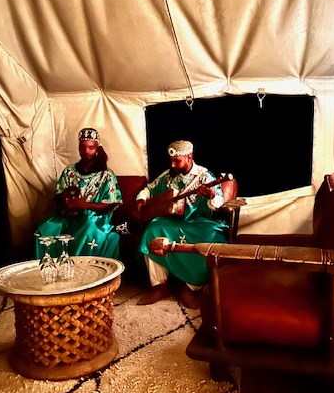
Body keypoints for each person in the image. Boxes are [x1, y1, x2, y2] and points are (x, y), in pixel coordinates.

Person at [134, 140, 228, 309]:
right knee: (153, 229)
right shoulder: (169, 174)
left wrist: (211, 194)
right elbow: (149, 188)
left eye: (177, 160)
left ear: (189, 157)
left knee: (212, 239)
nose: (172, 164)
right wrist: (141, 199)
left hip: (200, 223)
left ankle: (188, 287)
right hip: (174, 222)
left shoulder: (205, 176)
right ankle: (159, 286)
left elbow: (219, 203)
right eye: (171, 160)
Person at [34, 128, 122, 260]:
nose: (86, 152)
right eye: (83, 147)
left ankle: (82, 272)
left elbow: (112, 205)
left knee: (88, 227)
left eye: (91, 148)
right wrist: (64, 199)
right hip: (69, 217)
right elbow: (58, 195)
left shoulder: (106, 175)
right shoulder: (69, 171)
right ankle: (52, 269)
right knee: (43, 228)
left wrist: (85, 205)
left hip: (95, 219)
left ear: (97, 148)